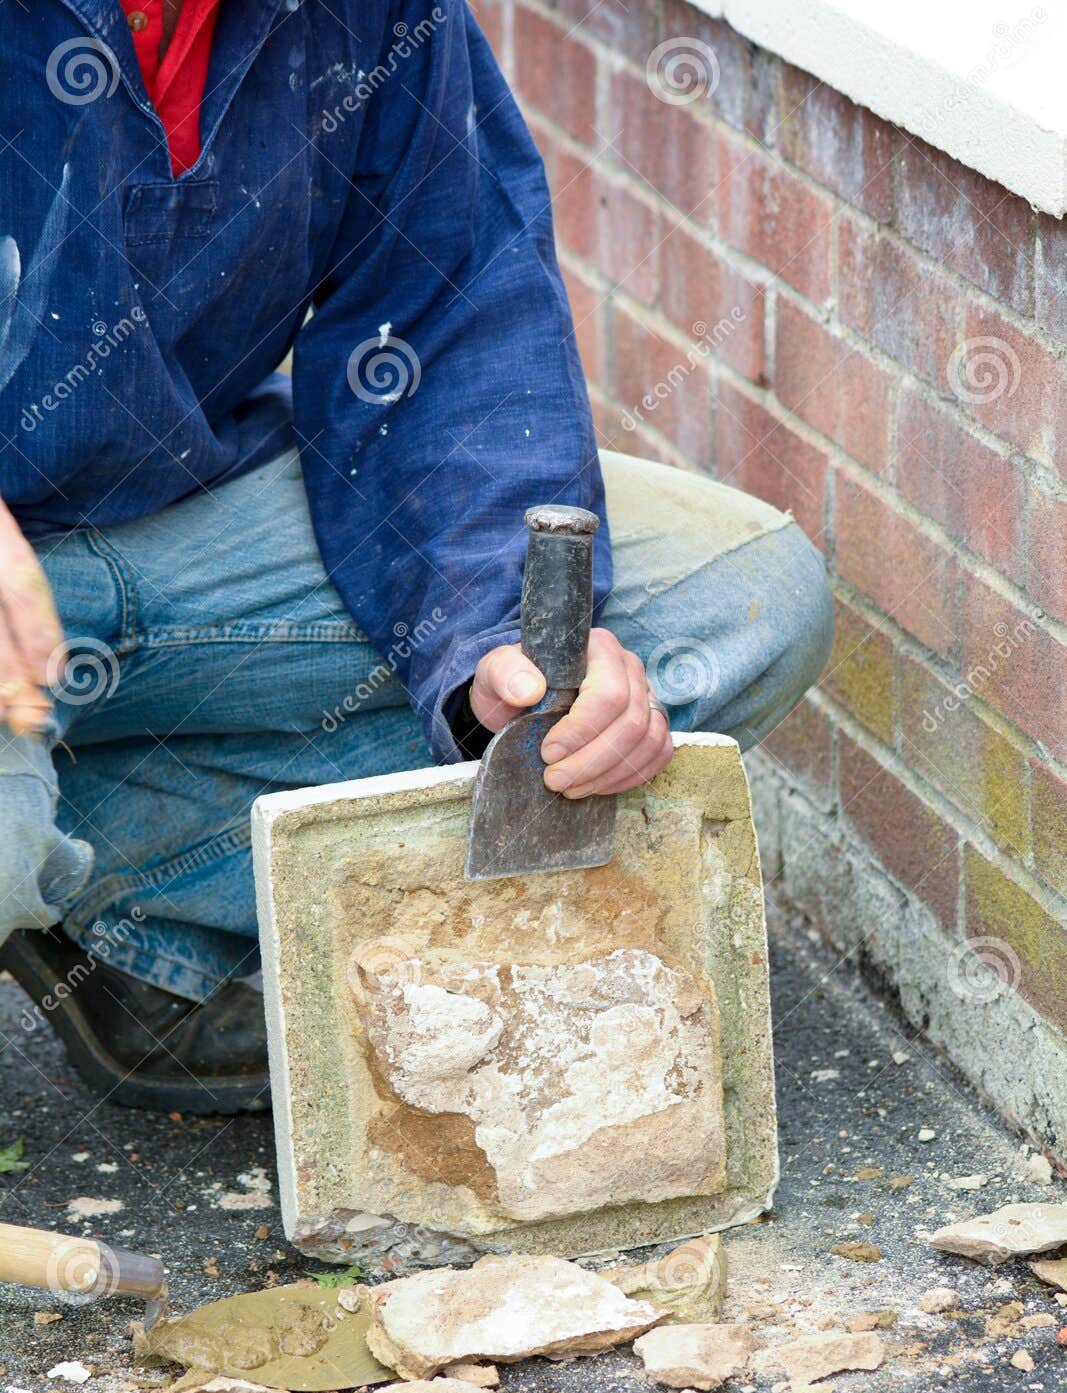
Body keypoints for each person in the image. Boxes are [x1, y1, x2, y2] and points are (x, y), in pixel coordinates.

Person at [0, 0, 832, 1112]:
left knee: (739, 597)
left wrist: (496, 632)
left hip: (173, 533)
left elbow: (445, 318)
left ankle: (138, 922)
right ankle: (31, 845)